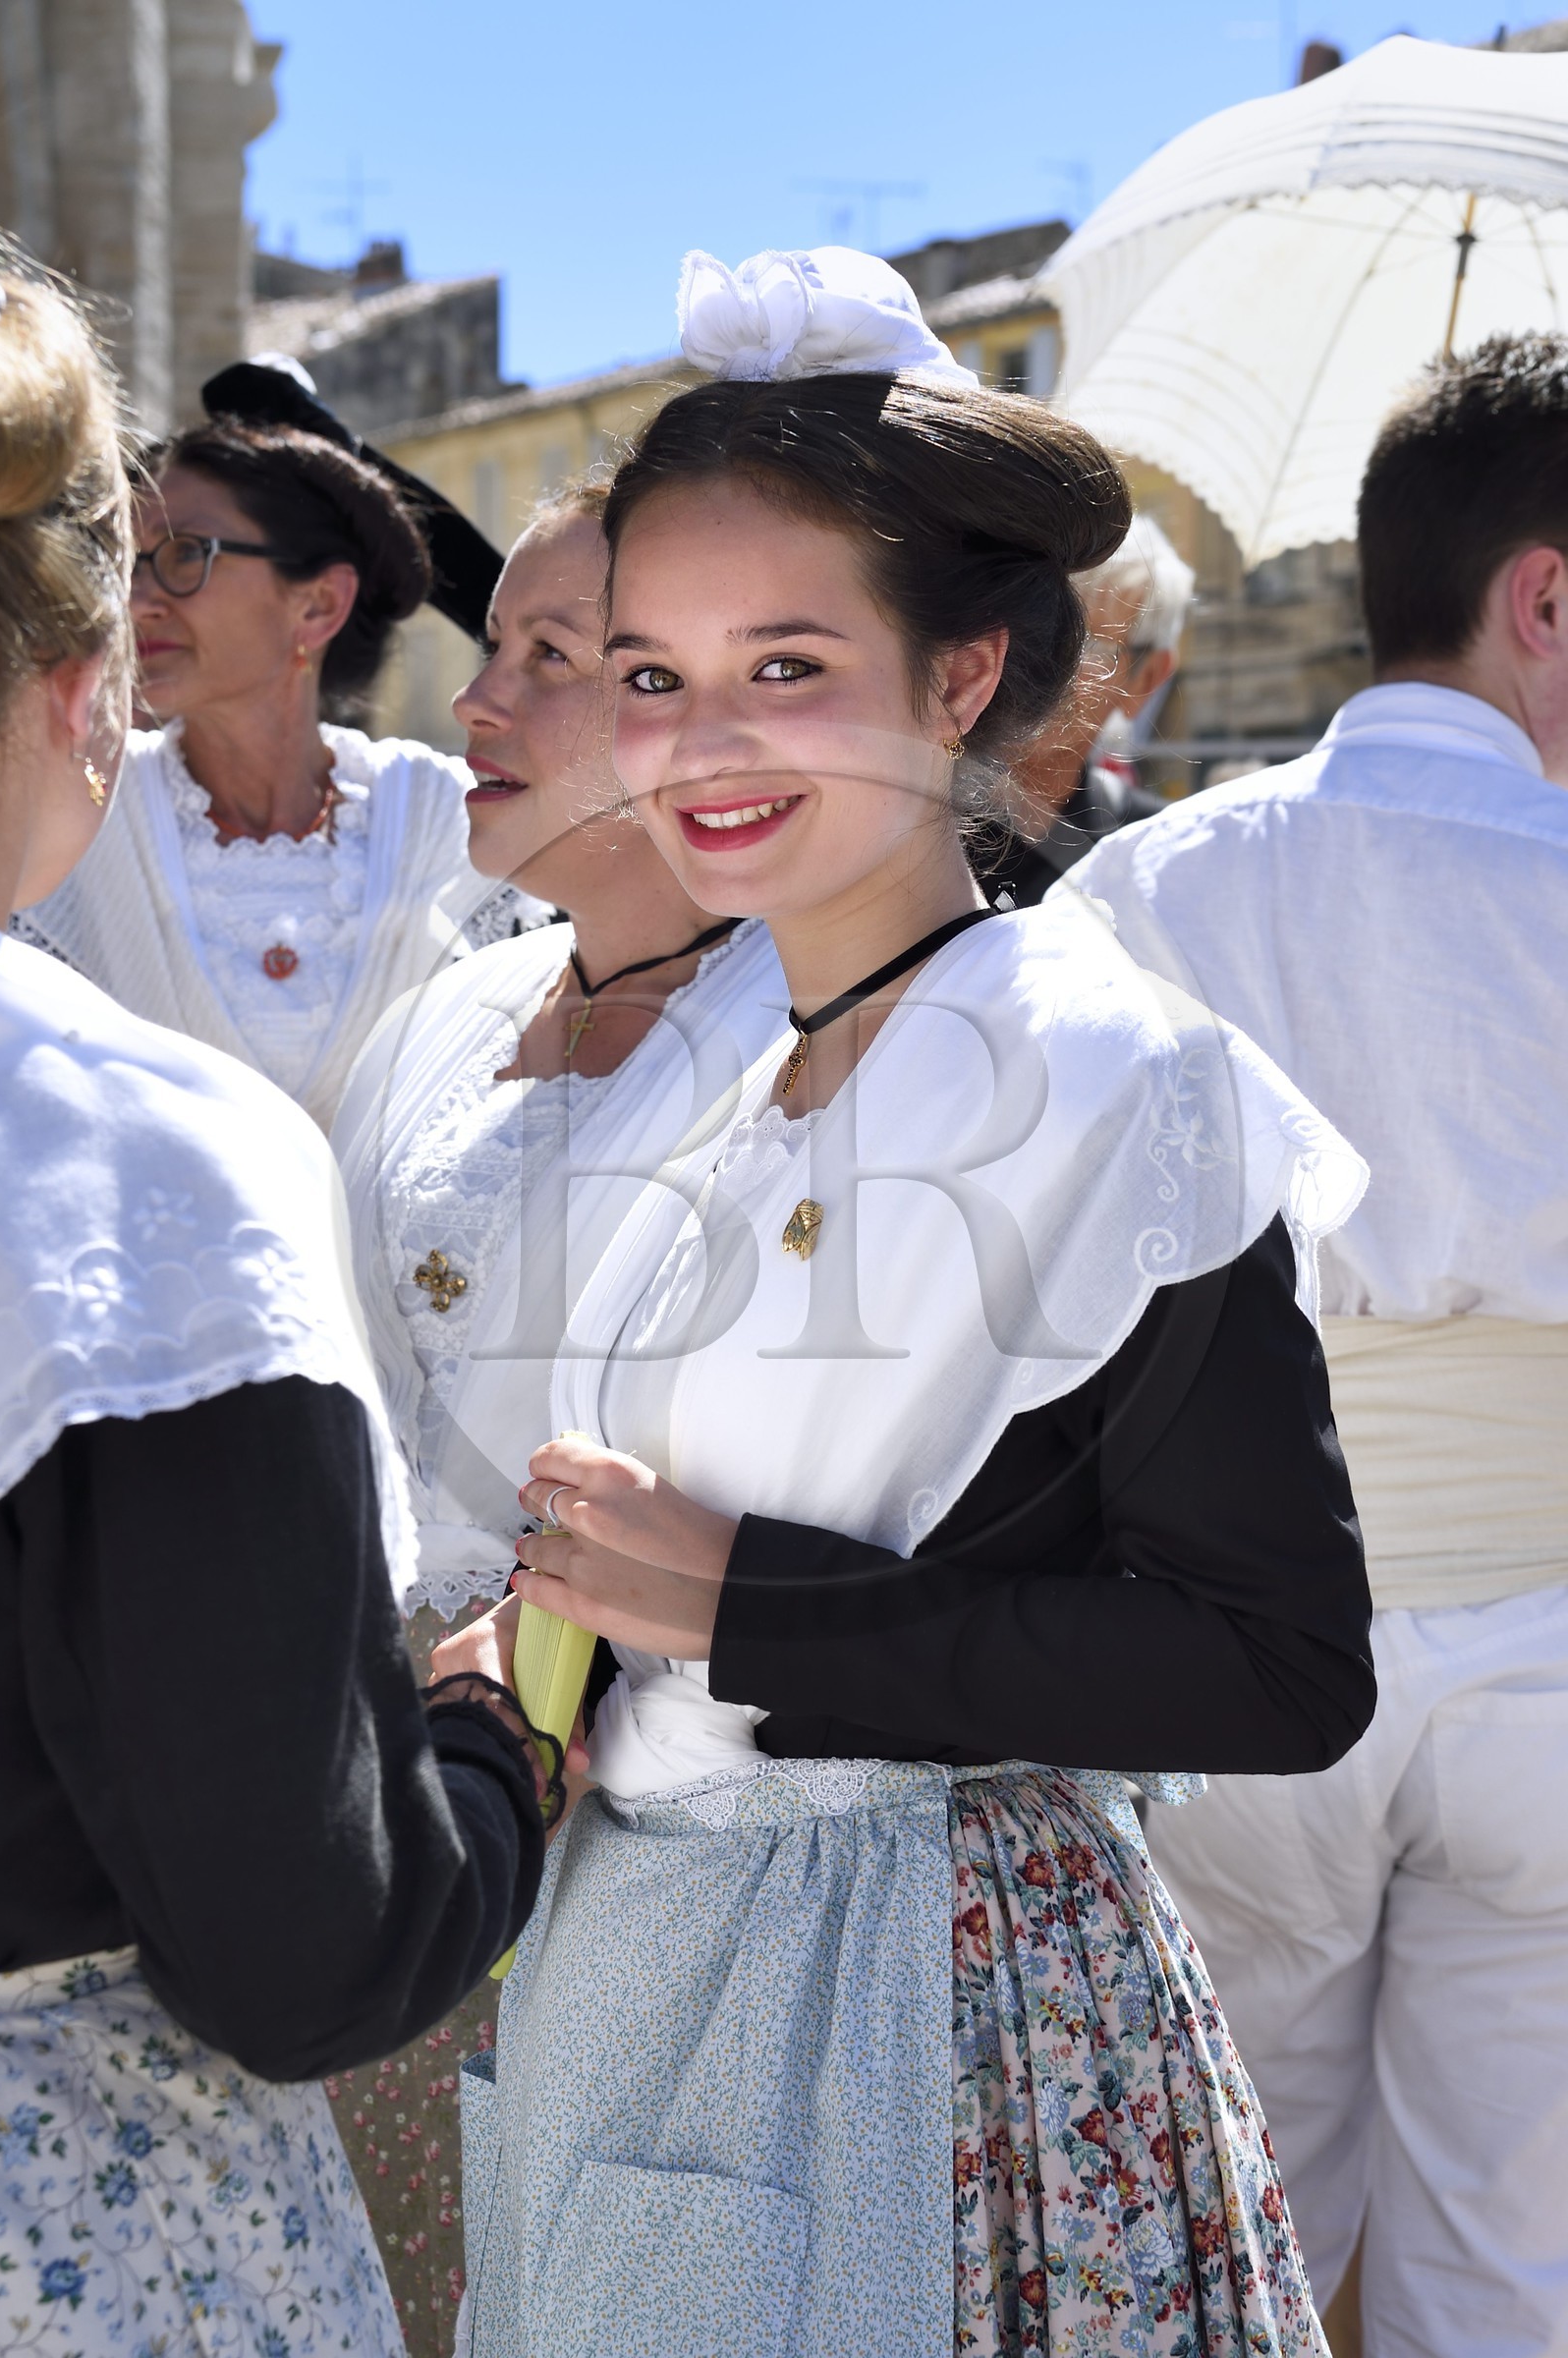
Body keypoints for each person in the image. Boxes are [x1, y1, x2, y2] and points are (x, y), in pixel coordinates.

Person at [436, 246, 1373, 2357]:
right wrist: (567, 1633)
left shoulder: (1105, 1075)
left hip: (928, 2014)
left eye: (787, 666)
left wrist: (743, 1605)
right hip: (638, 1978)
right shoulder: (740, 1044)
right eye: (653, 677)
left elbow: (1276, 1662)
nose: (699, 746)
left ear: (957, 680)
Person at [0, 253, 557, 2356]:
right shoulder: (132, 1154)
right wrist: (502, 1741)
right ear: (85, 695)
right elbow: (296, 1943)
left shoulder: (431, 847)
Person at [1063, 331, 1568, 2356]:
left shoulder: (1136, 890)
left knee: (1207, 2233)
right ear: (1542, 598)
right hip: (1543, 1650)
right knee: (1505, 2268)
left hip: (1217, 1650)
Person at [327, 481, 786, 2344]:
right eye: (487, 647)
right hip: (417, 1787)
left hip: (669, 1810)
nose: (473, 703)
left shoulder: (810, 1029)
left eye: (551, 658)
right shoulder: (461, 1005)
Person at [17, 385, 538, 1130]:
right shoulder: (84, 807)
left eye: (185, 555)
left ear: (319, 605)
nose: (139, 601)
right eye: (127, 564)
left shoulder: (445, 817)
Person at [980, 509, 1194, 907]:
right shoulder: (907, 827)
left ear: (1146, 680)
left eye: (1088, 645)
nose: (1045, 664)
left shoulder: (1158, 854)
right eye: (1032, 633)